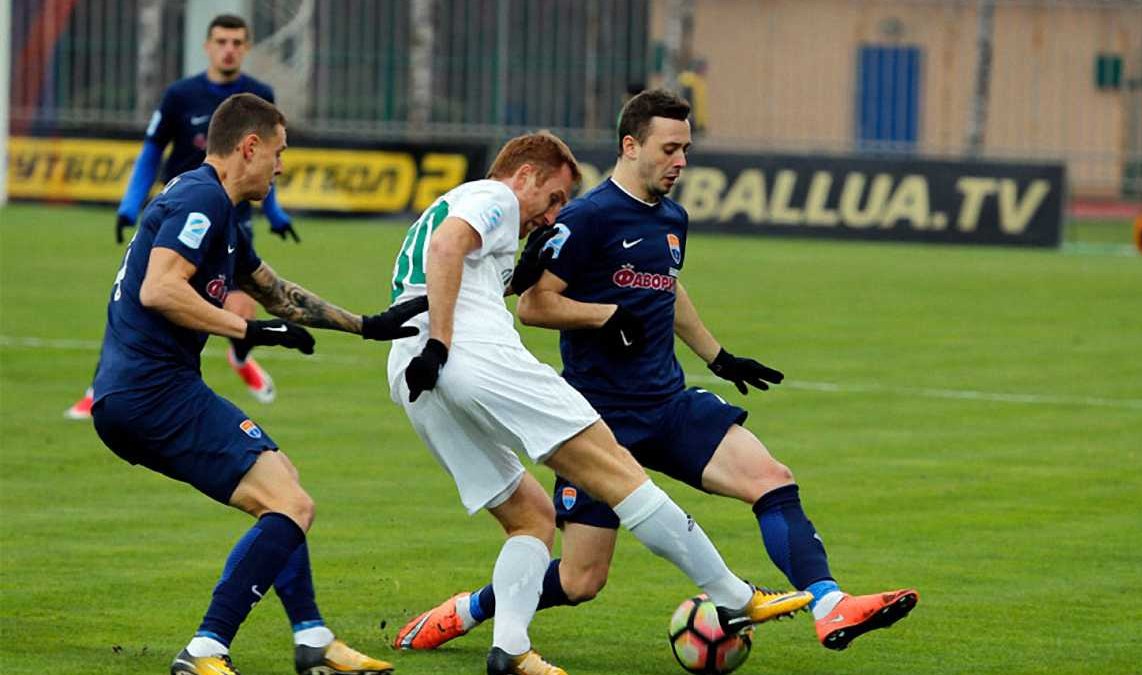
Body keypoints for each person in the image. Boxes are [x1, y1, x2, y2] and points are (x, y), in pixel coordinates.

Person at [395, 90, 918, 655]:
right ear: (631, 145)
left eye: (686, 149)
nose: (681, 161)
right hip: (598, 414)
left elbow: (669, 288)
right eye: (670, 149)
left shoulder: (672, 218)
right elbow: (533, 303)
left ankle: (829, 603)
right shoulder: (585, 216)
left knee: (771, 477)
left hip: (667, 403)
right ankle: (472, 608)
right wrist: (604, 315)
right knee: (580, 580)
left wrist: (718, 357)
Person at [91, 92, 420, 675]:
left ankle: (312, 637)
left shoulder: (220, 212)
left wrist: (365, 325)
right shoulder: (201, 198)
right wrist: (248, 330)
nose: (282, 167)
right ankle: (205, 649)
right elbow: (160, 289)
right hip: (152, 394)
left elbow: (277, 293)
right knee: (291, 504)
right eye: (279, 152)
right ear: (249, 147)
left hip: (140, 395)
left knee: (282, 486)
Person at [66, 13, 299, 419]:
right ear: (207, 47)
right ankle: (102, 385)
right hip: (182, 215)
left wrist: (275, 214)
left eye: (237, 42)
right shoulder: (180, 95)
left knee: (241, 305)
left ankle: (240, 358)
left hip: (232, 219)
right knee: (143, 298)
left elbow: (266, 161)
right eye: (221, 41)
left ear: (246, 48)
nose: (229, 50)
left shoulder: (258, 96)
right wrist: (130, 204)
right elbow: (152, 151)